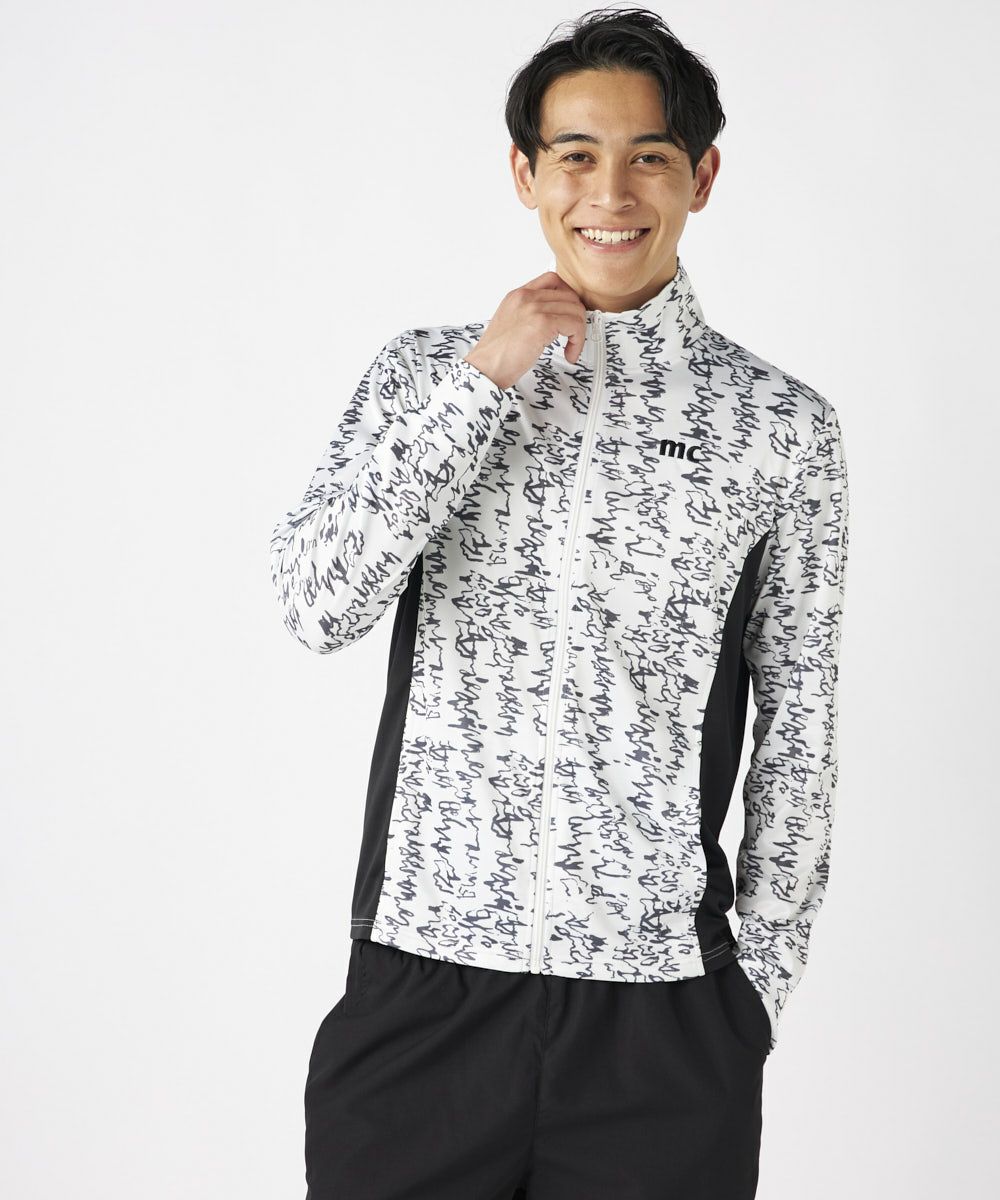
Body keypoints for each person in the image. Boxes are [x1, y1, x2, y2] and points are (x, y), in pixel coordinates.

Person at [269, 7, 850, 1198]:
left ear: (701, 177)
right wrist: (482, 382)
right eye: (576, 155)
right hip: (424, 992)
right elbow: (317, 603)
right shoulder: (424, 375)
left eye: (649, 156)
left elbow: (800, 717)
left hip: (660, 1018)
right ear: (525, 173)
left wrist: (756, 987)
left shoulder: (778, 429)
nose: (611, 193)